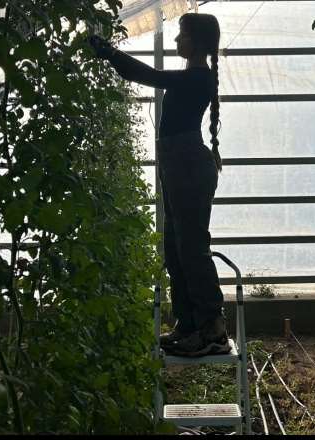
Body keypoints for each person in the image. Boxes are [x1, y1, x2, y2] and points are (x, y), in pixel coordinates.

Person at [89, 13, 230, 357]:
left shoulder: (197, 77)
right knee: (175, 246)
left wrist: (108, 52)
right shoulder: (192, 77)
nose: (176, 41)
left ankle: (212, 329)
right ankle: (188, 324)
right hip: (179, 166)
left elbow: (148, 75)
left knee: (192, 247)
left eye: (181, 35)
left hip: (187, 167)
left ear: (196, 41)